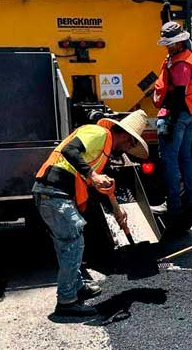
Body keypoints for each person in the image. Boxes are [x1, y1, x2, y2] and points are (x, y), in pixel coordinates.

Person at [33, 110, 149, 318]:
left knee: (69, 243)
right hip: (53, 191)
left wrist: (116, 208)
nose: (128, 150)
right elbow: (70, 150)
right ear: (125, 135)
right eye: (131, 144)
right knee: (72, 242)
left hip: (58, 194)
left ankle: (76, 286)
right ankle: (67, 302)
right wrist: (92, 174)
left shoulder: (103, 150)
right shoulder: (98, 133)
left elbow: (102, 184)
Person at [152, 22, 192, 216]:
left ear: (180, 43)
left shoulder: (181, 63)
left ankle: (172, 204)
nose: (168, 46)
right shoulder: (188, 53)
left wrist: (170, 120)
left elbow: (178, 93)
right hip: (189, 112)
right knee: (185, 158)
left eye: (170, 43)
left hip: (178, 114)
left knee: (170, 160)